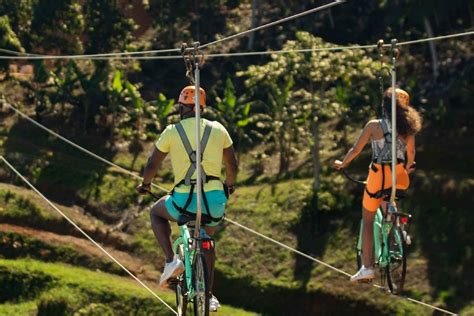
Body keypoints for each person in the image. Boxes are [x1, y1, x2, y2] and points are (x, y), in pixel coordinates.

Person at [136, 85, 238, 311]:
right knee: (207, 242)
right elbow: (232, 164)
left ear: (183, 108)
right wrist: (229, 186)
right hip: (214, 203)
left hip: (184, 200)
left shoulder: (172, 131)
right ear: (202, 107)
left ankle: (172, 260)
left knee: (156, 211)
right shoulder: (218, 129)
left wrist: (146, 184)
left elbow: (152, 163)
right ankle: (209, 295)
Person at [334, 88, 422, 282]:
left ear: (384, 106)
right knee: (390, 197)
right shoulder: (407, 128)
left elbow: (356, 149)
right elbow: (412, 154)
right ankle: (398, 228)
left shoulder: (374, 126)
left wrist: (343, 163)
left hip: (378, 176)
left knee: (368, 218)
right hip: (398, 176)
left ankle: (367, 267)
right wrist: (406, 168)